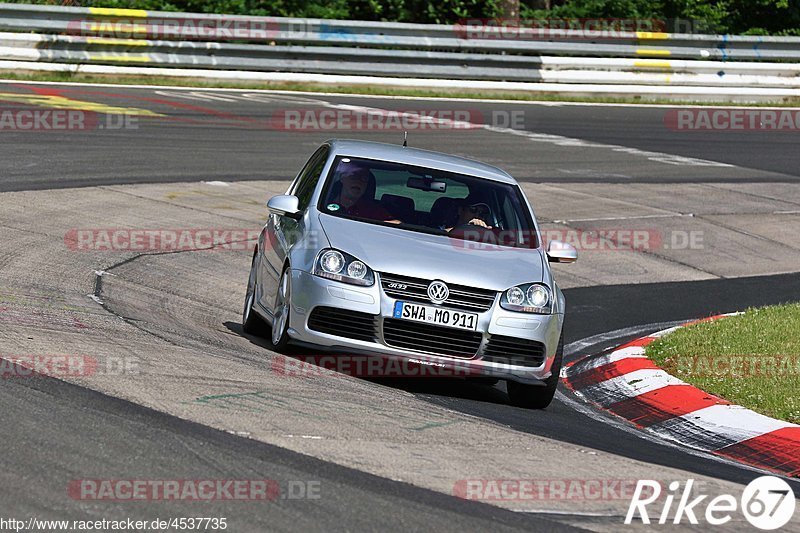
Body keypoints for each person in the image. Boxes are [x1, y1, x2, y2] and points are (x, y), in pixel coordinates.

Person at [328, 166, 397, 222]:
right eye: (354, 176)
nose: (358, 181)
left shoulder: (373, 211)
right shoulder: (323, 202)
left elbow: (394, 223)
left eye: (364, 178)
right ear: (342, 178)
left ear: (367, 185)